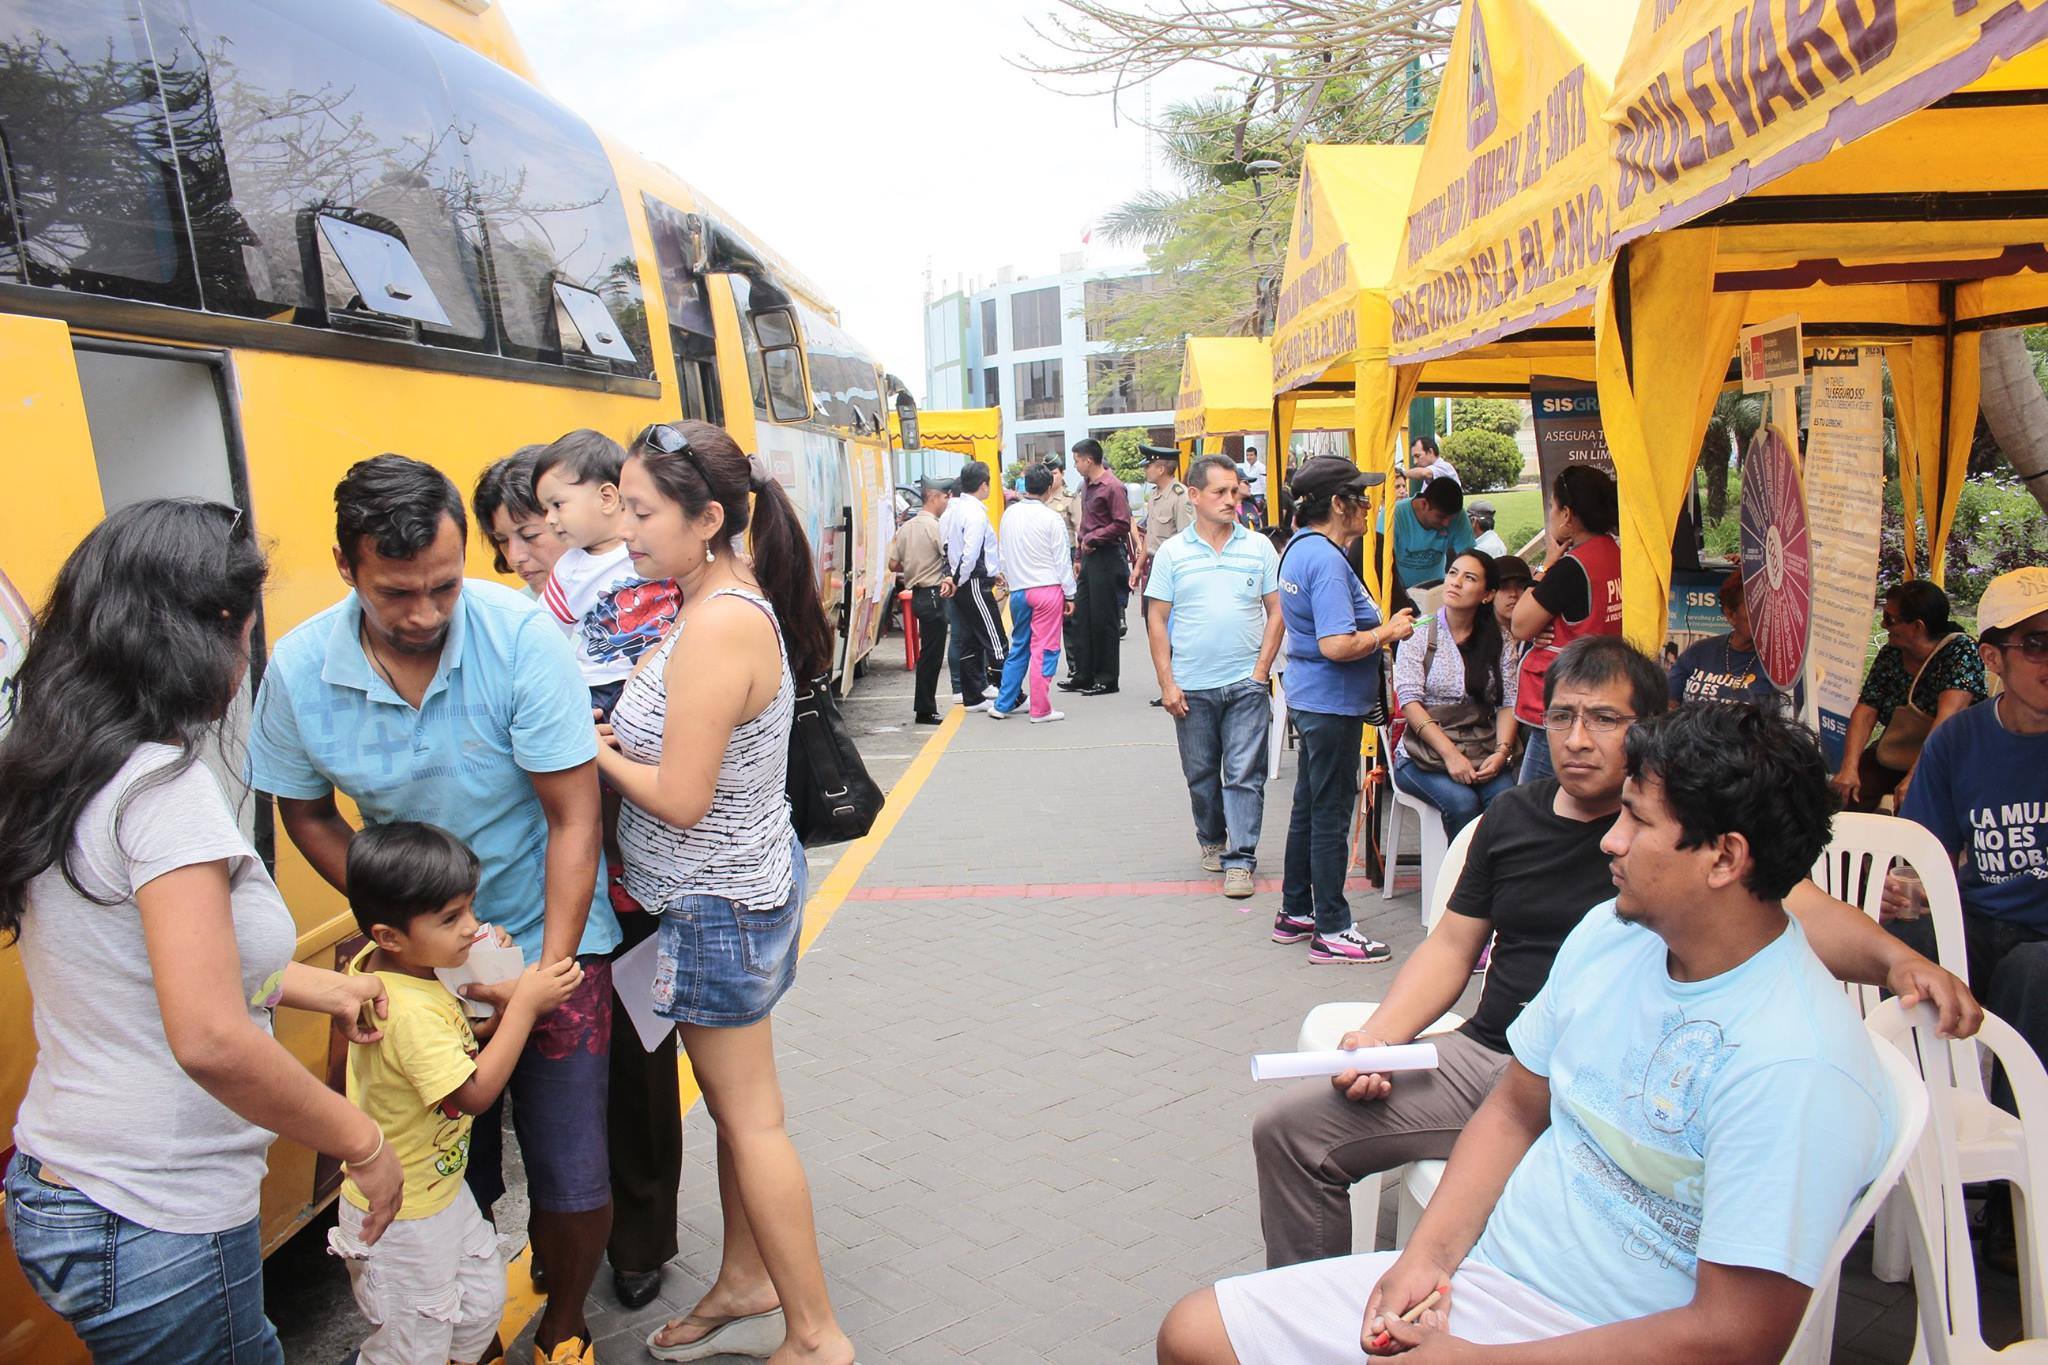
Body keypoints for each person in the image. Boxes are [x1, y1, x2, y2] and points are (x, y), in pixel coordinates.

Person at [1168, 703, 1902, 1365]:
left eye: (1640, 821)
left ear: (1726, 857)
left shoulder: (1798, 1065)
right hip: (1489, 1282)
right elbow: (1516, 1107)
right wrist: (1426, 1255)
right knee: (1194, 1333)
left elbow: (1734, 1336)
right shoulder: (1615, 935)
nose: (1611, 841)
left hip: (1607, 1339)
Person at [1248, 636, 1977, 1271]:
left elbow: (1801, 909)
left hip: (1616, 1076)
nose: (1576, 738)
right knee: (1292, 1129)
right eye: (1562, 715)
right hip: (1492, 1056)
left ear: (1650, 730)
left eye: (1604, 719)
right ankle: (1302, 1317)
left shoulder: (1681, 838)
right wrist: (1383, 1039)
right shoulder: (1511, 818)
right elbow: (1450, 946)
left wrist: (1895, 961)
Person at [0, 501, 402, 1362]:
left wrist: (311, 984)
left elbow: (136, 962)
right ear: (213, 632)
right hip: (157, 1213)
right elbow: (212, 1037)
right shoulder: (161, 791)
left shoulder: (61, 760)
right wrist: (360, 1141)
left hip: (68, 1182)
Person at [247, 455, 618, 1365]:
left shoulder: (521, 638)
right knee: (451, 1165)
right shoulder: (297, 670)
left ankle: (564, 1327)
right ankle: (468, 1333)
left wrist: (534, 973)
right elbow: (302, 811)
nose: (423, 613)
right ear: (347, 568)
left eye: (444, 587)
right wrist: (411, 932)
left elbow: (574, 819)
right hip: (413, 970)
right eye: (395, 593)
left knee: (572, 1165)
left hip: (546, 934)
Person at [596, 421, 856, 1365]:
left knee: (752, 1120)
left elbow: (680, 794)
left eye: (640, 509)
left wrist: (596, 751)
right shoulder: (720, 598)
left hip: (714, 906)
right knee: (742, 1109)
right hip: (740, 888)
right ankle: (747, 1278)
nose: (623, 528)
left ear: (705, 519)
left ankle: (817, 1333)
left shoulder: (716, 623)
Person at [331, 824, 583, 1365]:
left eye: (470, 908)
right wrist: (523, 1005)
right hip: (402, 1217)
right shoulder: (410, 1009)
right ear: (389, 935)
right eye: (451, 919)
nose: (472, 928)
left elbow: (456, 1044)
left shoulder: (398, 969)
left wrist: (483, 968)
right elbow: (474, 1093)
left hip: (439, 1193)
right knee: (410, 1346)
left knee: (479, 1305)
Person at [1893, 567, 2048, 1107]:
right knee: (1901, 951)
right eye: (2037, 644)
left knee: (2035, 974)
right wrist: (1908, 890)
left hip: (2042, 940)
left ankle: (2023, 1162)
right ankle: (1923, 1130)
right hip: (1978, 922)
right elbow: (1922, 854)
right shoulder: (1958, 740)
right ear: (1992, 658)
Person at [1273, 456, 1416, 962]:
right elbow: (1336, 644)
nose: (1367, 506)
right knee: (1330, 815)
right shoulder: (1329, 562)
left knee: (1309, 808)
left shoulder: (1299, 549)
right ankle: (1332, 928)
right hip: (1330, 704)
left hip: (1314, 698)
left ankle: (1296, 910)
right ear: (1337, 504)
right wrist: (1386, 633)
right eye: (1360, 497)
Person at [1145, 454, 1285, 899]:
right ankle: (1212, 838)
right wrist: (1167, 683)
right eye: (1220, 492)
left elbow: (1277, 610)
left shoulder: (1258, 547)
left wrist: (1261, 672)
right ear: (1194, 494)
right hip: (1191, 686)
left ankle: (1241, 858)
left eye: (1235, 490)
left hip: (1246, 683)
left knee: (1244, 774)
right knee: (1202, 774)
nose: (1232, 499)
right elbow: (1156, 619)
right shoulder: (1173, 553)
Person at [532, 430, 681, 722]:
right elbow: (546, 635)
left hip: (664, 674)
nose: (549, 519)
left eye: (557, 505)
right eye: (545, 509)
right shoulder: (567, 571)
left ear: (607, 497)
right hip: (600, 689)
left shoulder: (649, 546)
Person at [1391, 550, 1521, 840]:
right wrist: (1451, 756)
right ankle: (1463, 881)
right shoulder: (1419, 630)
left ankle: (1498, 878)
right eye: (1453, 573)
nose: (1456, 582)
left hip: (1480, 745)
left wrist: (1502, 753)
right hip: (1421, 753)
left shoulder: (1500, 638)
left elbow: (1508, 702)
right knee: (1462, 802)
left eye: (1469, 577)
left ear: (1487, 595)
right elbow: (1410, 702)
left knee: (1506, 799)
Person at [1832, 577, 1988, 812]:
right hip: (1896, 753)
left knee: (1917, 807)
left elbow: (1944, 724)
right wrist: (1849, 768)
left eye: (1890, 619)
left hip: (1949, 757)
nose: (1883, 625)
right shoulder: (1891, 653)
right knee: (1844, 798)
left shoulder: (1960, 651)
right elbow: (1866, 709)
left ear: (1918, 626)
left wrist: (1916, 777)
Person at [1511, 465, 1622, 782]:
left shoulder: (1570, 567)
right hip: (1604, 689)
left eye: (1553, 506)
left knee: (1534, 801)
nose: (1551, 514)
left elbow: (1520, 624)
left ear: (1568, 516)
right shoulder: (1615, 553)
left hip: (1563, 703)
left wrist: (1545, 565)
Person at [990, 463, 1076, 722]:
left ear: (1025, 487)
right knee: (1045, 649)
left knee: (1020, 646)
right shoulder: (1051, 518)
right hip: (1047, 590)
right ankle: (1040, 709)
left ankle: (1003, 704)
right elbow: (1062, 561)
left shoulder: (1009, 515)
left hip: (1019, 591)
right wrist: (1070, 594)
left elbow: (1002, 555)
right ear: (1049, 488)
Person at [1668, 569, 1796, 714]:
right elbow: (1669, 704)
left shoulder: (1782, 665)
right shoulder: (1699, 652)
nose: (1766, 614)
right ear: (1730, 614)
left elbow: (1782, 728)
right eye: (1756, 607)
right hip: (1689, 733)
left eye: (1771, 605)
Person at [1063, 438, 1133, 695]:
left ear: (1089, 460)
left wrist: (1093, 538)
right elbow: (1085, 525)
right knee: (1082, 617)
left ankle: (1107, 678)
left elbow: (1122, 524)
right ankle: (1084, 674)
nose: (1076, 465)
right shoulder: (1086, 485)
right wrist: (1079, 556)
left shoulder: (1112, 486)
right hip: (1090, 557)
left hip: (1106, 555)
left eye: (1077, 460)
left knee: (1104, 620)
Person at [940, 459, 1007, 714]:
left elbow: (949, 547)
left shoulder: (955, 510)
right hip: (973, 583)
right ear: (984, 485)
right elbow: (970, 553)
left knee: (970, 640)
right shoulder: (975, 512)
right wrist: (959, 579)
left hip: (967, 581)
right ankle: (1011, 695)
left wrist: (954, 577)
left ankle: (973, 696)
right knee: (996, 641)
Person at [887, 477, 951, 725]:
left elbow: (893, 564)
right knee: (931, 657)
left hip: (918, 595)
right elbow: (948, 556)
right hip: (934, 594)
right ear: (934, 497)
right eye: (945, 497)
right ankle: (925, 709)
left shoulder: (906, 528)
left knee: (928, 653)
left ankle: (925, 706)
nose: (947, 502)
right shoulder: (934, 527)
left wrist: (914, 564)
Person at [474, 447, 567, 597]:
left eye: (529, 535)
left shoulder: (615, 594)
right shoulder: (517, 615)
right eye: (502, 540)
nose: (514, 557)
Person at [1389, 476, 1474, 616]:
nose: (1447, 523)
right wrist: (1402, 598)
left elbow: (1468, 557)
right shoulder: (1394, 516)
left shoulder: (1457, 517)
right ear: (1423, 504)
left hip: (1437, 591)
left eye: (1451, 518)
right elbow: (1381, 562)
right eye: (1441, 517)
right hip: (1399, 592)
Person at [1244, 446, 1269, 520]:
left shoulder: (1261, 467)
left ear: (1256, 456)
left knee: (1258, 515)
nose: (1249, 457)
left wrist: (1265, 496)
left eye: (1251, 455)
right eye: (1247, 455)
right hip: (1249, 494)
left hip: (1258, 495)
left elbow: (1264, 482)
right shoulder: (1247, 467)